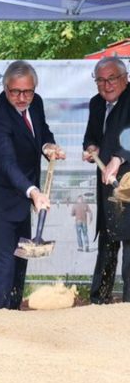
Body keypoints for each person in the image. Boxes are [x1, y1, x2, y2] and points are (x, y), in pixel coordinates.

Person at [0, 60, 65, 310]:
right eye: (15, 92)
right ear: (5, 89)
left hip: (22, 197)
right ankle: (0, 313)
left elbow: (42, 131)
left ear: (34, 88)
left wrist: (48, 147)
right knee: (5, 260)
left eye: (27, 91)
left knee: (21, 256)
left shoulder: (36, 103)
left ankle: (13, 310)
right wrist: (34, 191)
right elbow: (7, 163)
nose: (22, 97)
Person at [82, 56, 130, 304]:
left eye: (111, 78)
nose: (106, 85)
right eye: (100, 80)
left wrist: (118, 158)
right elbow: (90, 135)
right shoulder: (96, 104)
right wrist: (91, 147)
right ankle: (98, 304)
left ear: (125, 78)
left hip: (128, 186)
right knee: (108, 243)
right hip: (106, 188)